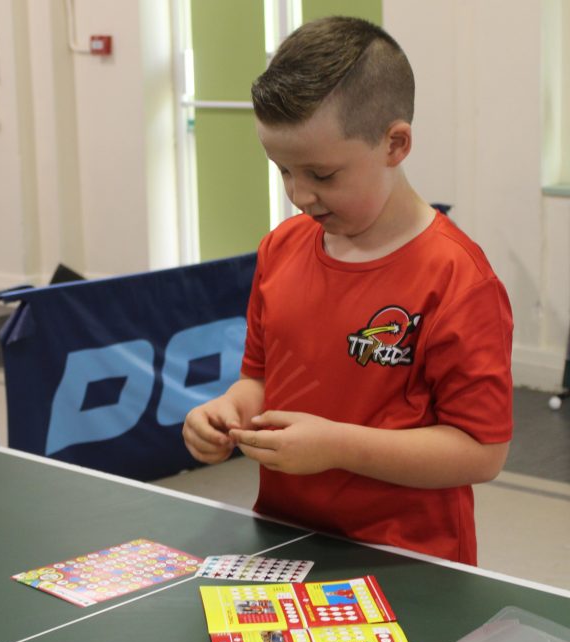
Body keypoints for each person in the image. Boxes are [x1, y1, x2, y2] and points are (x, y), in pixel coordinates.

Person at [182, 17, 513, 565]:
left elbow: (482, 452)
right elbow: (259, 380)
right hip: (285, 544)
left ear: (395, 144)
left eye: (322, 174)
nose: (299, 194)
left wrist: (337, 447)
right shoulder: (280, 249)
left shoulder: (458, 279)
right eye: (283, 171)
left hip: (410, 561)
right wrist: (226, 412)